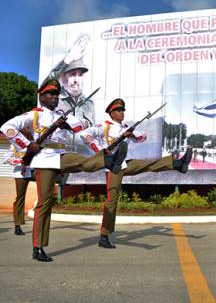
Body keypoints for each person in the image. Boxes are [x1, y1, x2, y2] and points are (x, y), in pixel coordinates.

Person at [0, 79, 127, 262]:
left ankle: (109, 160)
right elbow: (7, 127)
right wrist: (28, 145)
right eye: (50, 94)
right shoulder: (35, 115)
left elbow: (82, 124)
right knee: (45, 203)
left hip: (61, 154)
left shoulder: (62, 114)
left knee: (84, 162)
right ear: (41, 96)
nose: (54, 97)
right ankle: (38, 247)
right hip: (44, 158)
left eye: (57, 94)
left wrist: (65, 124)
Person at [79, 98, 193, 248]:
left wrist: (130, 135)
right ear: (112, 113)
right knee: (112, 201)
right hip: (113, 167)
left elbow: (142, 137)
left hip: (124, 163)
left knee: (147, 164)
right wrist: (100, 150)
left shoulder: (125, 127)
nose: (122, 113)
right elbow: (85, 134)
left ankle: (177, 164)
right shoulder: (104, 126)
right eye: (119, 110)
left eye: (123, 110)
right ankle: (104, 236)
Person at [45, 36, 95, 128]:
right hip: (58, 141)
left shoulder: (89, 103)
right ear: (63, 76)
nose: (76, 80)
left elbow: (91, 127)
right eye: (72, 74)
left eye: (80, 75)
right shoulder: (55, 97)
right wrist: (68, 59)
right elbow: (49, 81)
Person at [2, 144, 34, 235]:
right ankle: (18, 225)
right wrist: (22, 161)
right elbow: (6, 159)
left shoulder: (35, 141)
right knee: (20, 197)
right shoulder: (15, 144)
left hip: (36, 171)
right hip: (21, 172)